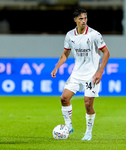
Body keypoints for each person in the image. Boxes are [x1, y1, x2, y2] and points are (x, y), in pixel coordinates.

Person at [51, 9, 110, 141]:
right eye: (81, 19)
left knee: (88, 103)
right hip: (77, 73)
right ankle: (68, 126)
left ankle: (88, 133)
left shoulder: (94, 34)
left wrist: (100, 71)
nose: (84, 21)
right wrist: (56, 67)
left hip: (92, 74)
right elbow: (65, 53)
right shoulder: (70, 35)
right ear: (75, 20)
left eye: (85, 18)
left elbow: (106, 52)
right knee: (64, 98)